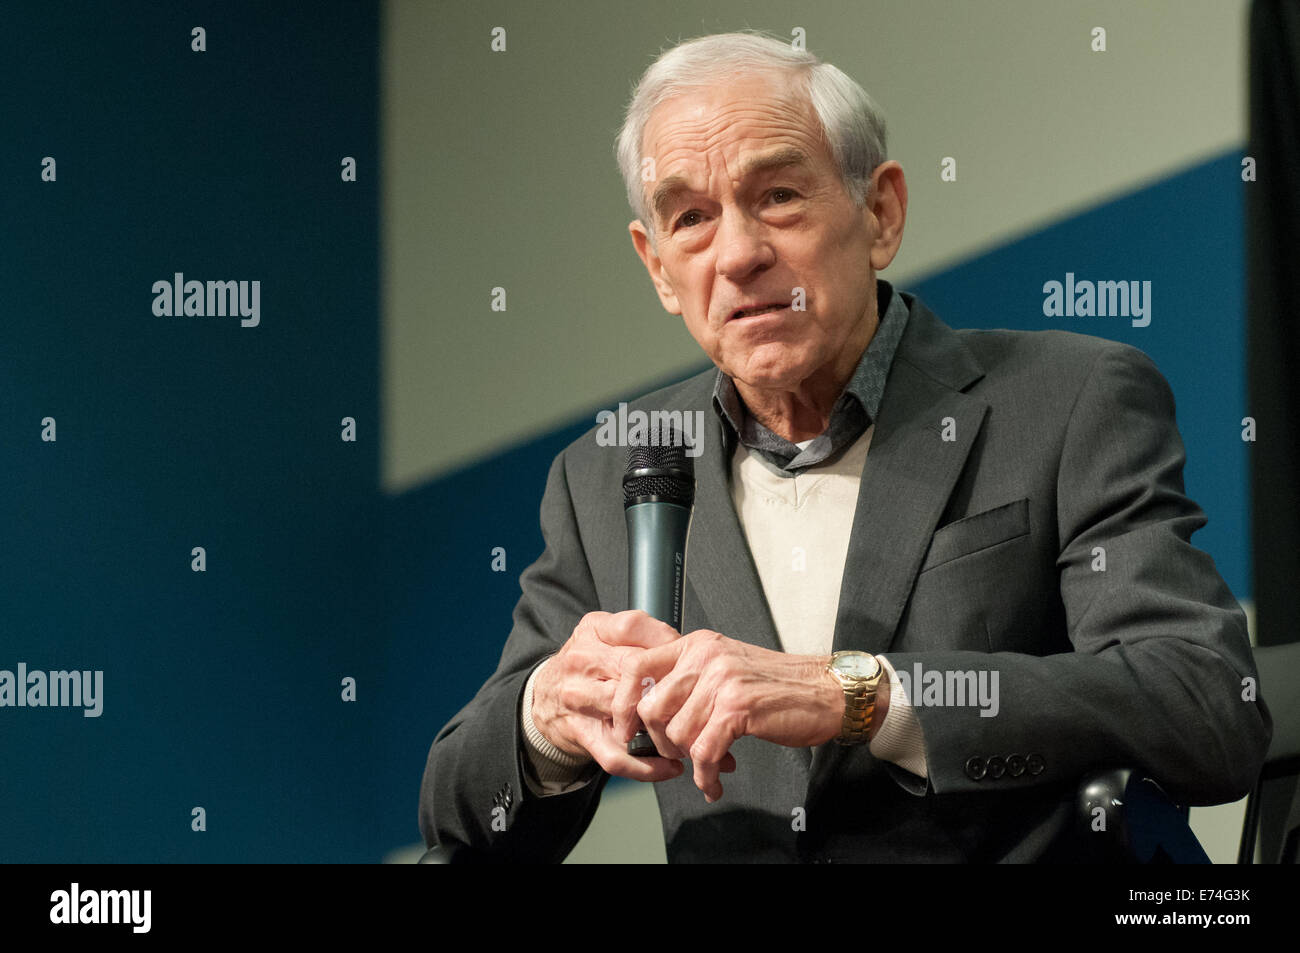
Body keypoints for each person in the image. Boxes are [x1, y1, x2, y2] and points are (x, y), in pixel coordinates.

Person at [418, 32, 1271, 863]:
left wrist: (862, 693)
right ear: (657, 267)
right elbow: (459, 821)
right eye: (691, 218)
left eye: (779, 196)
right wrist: (542, 721)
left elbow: (1203, 704)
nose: (740, 254)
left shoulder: (1065, 401)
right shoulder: (610, 469)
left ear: (880, 211)